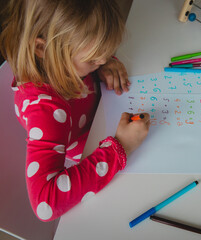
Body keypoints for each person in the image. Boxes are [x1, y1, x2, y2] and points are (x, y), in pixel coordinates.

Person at [0, 0, 150, 221]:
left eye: (105, 53)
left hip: (103, 122)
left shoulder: (62, 59)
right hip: (93, 153)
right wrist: (121, 147)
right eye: (93, 59)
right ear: (42, 48)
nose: (102, 59)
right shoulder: (45, 110)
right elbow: (45, 204)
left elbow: (82, 52)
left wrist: (102, 65)